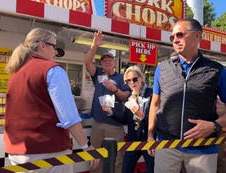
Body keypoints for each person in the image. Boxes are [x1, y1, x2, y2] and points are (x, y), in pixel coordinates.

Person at [4, 28, 99, 173]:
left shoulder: (15, 74)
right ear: (42, 45)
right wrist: (86, 146)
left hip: (16, 152)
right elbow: (69, 116)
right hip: (48, 152)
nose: (55, 52)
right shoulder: (52, 70)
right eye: (54, 47)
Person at [147, 19, 226, 173]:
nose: (175, 40)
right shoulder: (162, 68)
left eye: (180, 35)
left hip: (203, 149)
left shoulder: (217, 70)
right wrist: (150, 135)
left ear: (197, 36)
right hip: (166, 146)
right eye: (172, 37)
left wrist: (214, 126)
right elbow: (155, 104)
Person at [84, 31, 130, 173]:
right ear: (102, 64)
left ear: (114, 63)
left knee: (115, 158)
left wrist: (114, 89)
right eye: (104, 61)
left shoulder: (122, 77)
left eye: (110, 60)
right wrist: (94, 45)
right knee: (95, 156)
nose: (107, 62)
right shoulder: (98, 74)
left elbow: (125, 97)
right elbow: (87, 62)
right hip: (98, 124)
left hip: (115, 125)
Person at [121, 65, 154, 173]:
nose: (132, 83)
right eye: (128, 81)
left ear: (142, 78)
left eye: (135, 79)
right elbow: (125, 120)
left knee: (151, 169)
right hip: (133, 140)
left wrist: (142, 116)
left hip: (148, 140)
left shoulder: (152, 94)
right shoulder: (130, 97)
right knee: (126, 169)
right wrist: (110, 112)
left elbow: (157, 119)